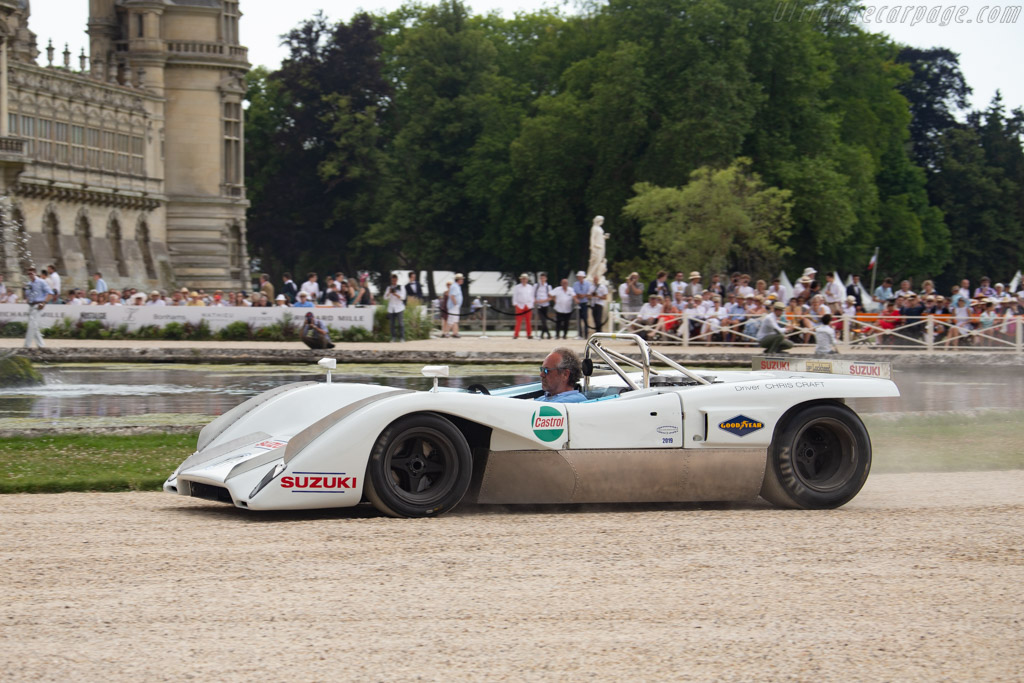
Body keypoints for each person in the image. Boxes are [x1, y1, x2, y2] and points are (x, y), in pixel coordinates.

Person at [23, 267, 54, 348]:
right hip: (31, 305)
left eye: (31, 273)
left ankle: (27, 345)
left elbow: (50, 293)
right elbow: (27, 295)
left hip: (38, 305)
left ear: (35, 273)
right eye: (29, 274)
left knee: (32, 325)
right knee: (34, 326)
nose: (30, 275)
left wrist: (44, 303)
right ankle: (41, 345)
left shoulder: (41, 282)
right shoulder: (29, 284)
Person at [384, 273, 406, 342]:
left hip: (399, 308)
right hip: (391, 308)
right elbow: (385, 298)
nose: (394, 282)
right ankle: (393, 337)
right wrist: (389, 293)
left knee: (400, 323)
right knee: (392, 324)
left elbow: (403, 297)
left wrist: (395, 294)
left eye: (395, 280)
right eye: (392, 280)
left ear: (397, 280)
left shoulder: (401, 287)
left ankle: (402, 338)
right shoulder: (388, 288)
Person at [512, 273, 535, 339]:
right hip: (520, 305)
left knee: (528, 321)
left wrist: (531, 305)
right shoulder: (517, 287)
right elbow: (515, 296)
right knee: (518, 321)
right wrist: (515, 304)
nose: (524, 280)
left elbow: (532, 296)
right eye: (523, 279)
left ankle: (529, 334)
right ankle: (516, 334)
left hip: (528, 305)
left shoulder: (530, 287)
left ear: (527, 280)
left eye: (525, 279)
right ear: (521, 279)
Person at [573, 270, 594, 338]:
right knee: (579, 319)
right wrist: (579, 296)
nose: (580, 278)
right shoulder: (575, 284)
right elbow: (575, 293)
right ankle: (580, 334)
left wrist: (583, 295)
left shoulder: (588, 284)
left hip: (585, 303)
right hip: (579, 303)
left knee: (585, 319)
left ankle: (585, 334)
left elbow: (589, 293)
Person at [534, 272, 553, 339]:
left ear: (546, 279)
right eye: (541, 278)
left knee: (544, 320)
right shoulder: (536, 286)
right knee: (543, 320)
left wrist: (544, 300)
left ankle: (543, 334)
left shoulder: (548, 287)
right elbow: (533, 295)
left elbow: (551, 297)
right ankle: (547, 334)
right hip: (539, 305)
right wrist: (536, 300)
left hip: (545, 304)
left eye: (543, 278)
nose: (542, 279)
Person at [447, 273, 464, 338]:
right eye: (461, 279)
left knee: (454, 320)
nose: (462, 280)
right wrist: (455, 304)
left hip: (455, 306)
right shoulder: (454, 286)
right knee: (453, 319)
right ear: (458, 280)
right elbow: (452, 296)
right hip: (453, 306)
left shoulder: (457, 286)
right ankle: (448, 333)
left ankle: (454, 333)